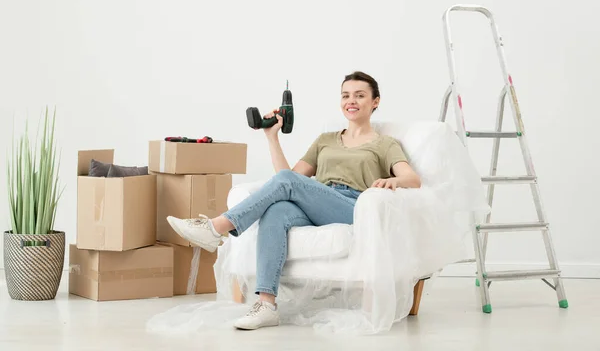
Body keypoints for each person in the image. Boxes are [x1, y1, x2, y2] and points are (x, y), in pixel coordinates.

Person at [167, 71, 422, 330]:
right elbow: (285, 179)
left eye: (360, 95)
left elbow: (412, 178)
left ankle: (217, 227)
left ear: (375, 102)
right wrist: (272, 137)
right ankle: (266, 304)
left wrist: (393, 181)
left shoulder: (384, 144)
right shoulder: (326, 140)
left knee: (287, 185)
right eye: (346, 95)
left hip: (353, 206)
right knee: (276, 211)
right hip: (317, 201)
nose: (351, 101)